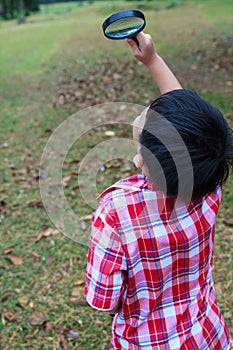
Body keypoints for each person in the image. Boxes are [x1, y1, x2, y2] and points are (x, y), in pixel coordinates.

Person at [85, 32, 232, 349]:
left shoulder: (116, 211)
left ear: (141, 160)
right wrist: (152, 59)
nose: (146, 108)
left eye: (148, 115)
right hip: (208, 334)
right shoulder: (210, 183)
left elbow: (103, 300)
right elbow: (188, 129)